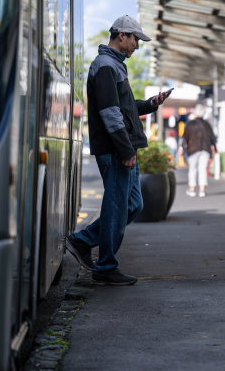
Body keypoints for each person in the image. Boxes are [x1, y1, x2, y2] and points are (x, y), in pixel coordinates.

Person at [66, 15, 171, 286]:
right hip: (115, 150)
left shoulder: (115, 66)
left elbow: (123, 109)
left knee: (132, 205)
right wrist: (125, 150)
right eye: (136, 39)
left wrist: (150, 104)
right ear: (122, 35)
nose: (137, 45)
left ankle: (84, 240)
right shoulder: (105, 66)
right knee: (116, 207)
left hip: (123, 148)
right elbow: (110, 114)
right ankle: (106, 266)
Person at [179, 106, 216, 198]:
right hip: (205, 149)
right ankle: (202, 190)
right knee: (202, 169)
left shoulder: (191, 124)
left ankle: (192, 189)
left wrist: (181, 148)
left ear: (196, 113)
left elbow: (185, 137)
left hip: (193, 149)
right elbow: (212, 137)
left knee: (193, 169)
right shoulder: (207, 124)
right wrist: (215, 148)